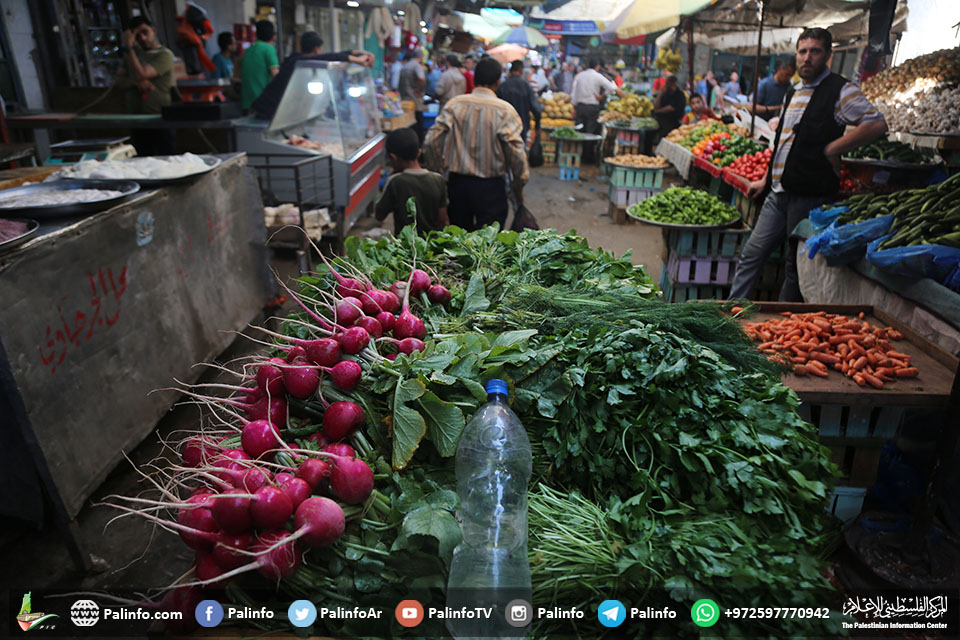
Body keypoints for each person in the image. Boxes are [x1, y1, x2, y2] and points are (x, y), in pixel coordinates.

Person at [729, 28, 887, 302]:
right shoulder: (793, 92)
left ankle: (782, 328)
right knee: (752, 253)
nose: (807, 58)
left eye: (815, 51)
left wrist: (833, 148)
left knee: (794, 266)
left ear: (828, 55)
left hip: (809, 195)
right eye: (802, 51)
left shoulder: (841, 90)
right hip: (778, 192)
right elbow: (782, 142)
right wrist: (765, 178)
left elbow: (877, 123)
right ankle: (730, 310)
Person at [424, 57, 528, 231]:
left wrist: (437, 173)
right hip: (491, 189)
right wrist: (518, 186)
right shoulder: (505, 111)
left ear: (475, 78)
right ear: (498, 82)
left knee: (458, 245)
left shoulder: (454, 105)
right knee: (487, 248)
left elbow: (431, 141)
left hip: (457, 186)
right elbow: (516, 153)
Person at [252, 31, 373, 120]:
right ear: (316, 49)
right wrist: (356, 60)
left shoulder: (297, 60)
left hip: (279, 112)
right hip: (267, 112)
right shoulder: (297, 62)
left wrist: (360, 53)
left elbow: (333, 55)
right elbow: (330, 57)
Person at [116, 16, 175, 155]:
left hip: (159, 119)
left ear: (153, 31)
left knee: (165, 161)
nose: (142, 38)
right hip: (136, 120)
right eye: (137, 35)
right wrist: (135, 83)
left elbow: (142, 74)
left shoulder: (164, 55)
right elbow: (119, 82)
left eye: (145, 32)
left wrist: (129, 48)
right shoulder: (131, 55)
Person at [375, 128, 449, 235]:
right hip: (432, 246)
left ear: (393, 157)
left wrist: (388, 179)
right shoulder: (438, 180)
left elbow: (379, 216)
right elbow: (443, 221)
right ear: (419, 152)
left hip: (405, 247)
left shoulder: (395, 182)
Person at [570, 58, 626, 162]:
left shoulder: (580, 75)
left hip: (580, 107)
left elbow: (574, 92)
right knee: (590, 133)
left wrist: (574, 107)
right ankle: (587, 158)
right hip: (592, 108)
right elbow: (611, 87)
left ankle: (576, 156)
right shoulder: (598, 76)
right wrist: (603, 95)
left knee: (579, 132)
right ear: (597, 66)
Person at [497, 60, 542, 144]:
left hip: (503, 126)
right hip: (521, 126)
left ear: (510, 71)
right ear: (521, 71)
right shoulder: (526, 86)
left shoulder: (503, 86)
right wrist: (537, 126)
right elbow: (536, 109)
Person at [241, 20, 279, 111]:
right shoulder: (268, 49)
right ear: (273, 35)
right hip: (263, 101)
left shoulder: (248, 51)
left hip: (247, 102)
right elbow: (276, 75)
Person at [398, 50, 426, 142]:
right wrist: (420, 90)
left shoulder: (404, 66)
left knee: (408, 129)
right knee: (417, 130)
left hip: (405, 104)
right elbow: (421, 78)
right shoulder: (417, 66)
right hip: (415, 103)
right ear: (420, 56)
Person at [652, 75, 686, 139]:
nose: (666, 85)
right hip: (661, 121)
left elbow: (670, 108)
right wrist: (660, 93)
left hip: (673, 122)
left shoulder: (680, 95)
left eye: (668, 83)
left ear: (673, 84)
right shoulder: (665, 93)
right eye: (666, 83)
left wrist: (658, 111)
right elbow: (656, 107)